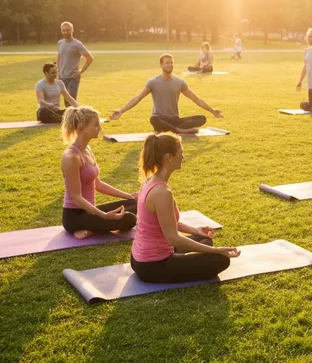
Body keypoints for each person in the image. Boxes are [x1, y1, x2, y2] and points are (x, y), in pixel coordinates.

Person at [131, 132, 240, 283]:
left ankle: (189, 254)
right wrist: (216, 251)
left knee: (204, 239)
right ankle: (189, 259)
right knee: (220, 260)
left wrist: (195, 230)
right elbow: (172, 237)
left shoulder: (150, 181)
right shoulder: (162, 192)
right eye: (181, 152)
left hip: (139, 259)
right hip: (153, 266)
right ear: (169, 157)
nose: (183, 156)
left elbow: (165, 223)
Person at [61, 106, 138, 240]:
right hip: (75, 216)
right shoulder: (71, 157)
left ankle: (92, 226)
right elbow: (76, 198)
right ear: (83, 127)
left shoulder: (87, 149)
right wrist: (103, 215)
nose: (100, 128)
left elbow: (97, 183)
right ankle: (85, 227)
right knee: (130, 219)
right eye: (96, 125)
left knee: (136, 204)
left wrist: (129, 196)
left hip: (89, 211)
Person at [109, 53, 224, 134]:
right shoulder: (153, 82)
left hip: (174, 119)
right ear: (161, 65)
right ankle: (179, 131)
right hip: (160, 119)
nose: (170, 65)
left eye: (171, 63)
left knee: (201, 118)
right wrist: (121, 110)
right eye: (167, 63)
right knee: (153, 119)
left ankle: (174, 129)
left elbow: (196, 99)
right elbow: (138, 98)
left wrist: (212, 110)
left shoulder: (179, 82)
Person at [57, 21, 94, 102]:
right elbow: (59, 57)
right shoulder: (60, 43)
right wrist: (58, 71)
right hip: (62, 77)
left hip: (72, 78)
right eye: (63, 30)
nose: (66, 32)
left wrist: (80, 71)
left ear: (72, 30)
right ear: (61, 31)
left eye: (68, 30)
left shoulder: (77, 44)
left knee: (72, 102)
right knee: (66, 102)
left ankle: (76, 115)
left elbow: (90, 58)